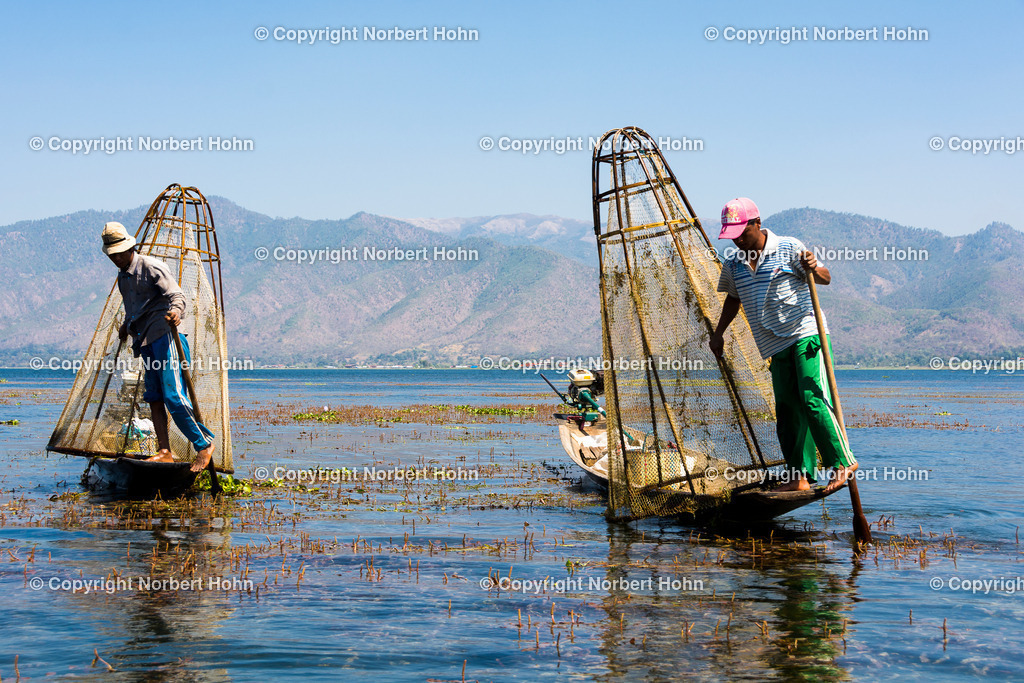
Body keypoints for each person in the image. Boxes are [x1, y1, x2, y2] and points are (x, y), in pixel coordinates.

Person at [708, 198, 856, 494]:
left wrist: (813, 267)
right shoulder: (734, 264)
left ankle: (842, 463)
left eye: (742, 232)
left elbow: (825, 279)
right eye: (732, 235)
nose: (738, 239)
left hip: (806, 334)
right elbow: (733, 300)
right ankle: (799, 475)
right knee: (787, 409)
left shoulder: (788, 247)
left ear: (757, 224)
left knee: (812, 397)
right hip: (773, 345)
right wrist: (718, 333)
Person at [102, 221, 215, 473]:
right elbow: (134, 309)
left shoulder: (151, 267)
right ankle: (164, 451)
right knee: (153, 396)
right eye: (113, 255)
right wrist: (125, 325)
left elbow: (177, 296)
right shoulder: (123, 278)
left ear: (130, 248)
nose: (117, 258)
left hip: (165, 336)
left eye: (120, 253)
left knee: (173, 394)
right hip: (144, 341)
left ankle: (204, 444)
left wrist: (175, 312)